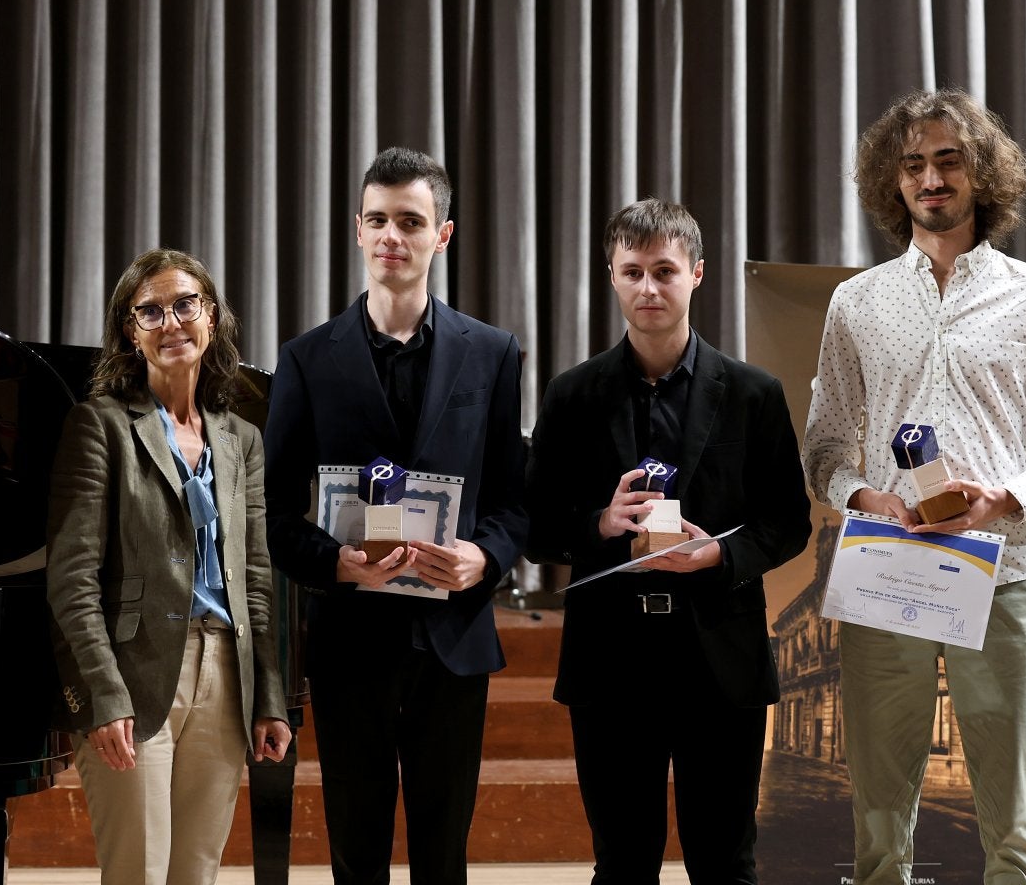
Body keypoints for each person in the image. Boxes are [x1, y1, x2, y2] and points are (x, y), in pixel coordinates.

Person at [802, 88, 1026, 885]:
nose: (930, 179)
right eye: (913, 166)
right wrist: (870, 498)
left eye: (947, 160)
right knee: (877, 829)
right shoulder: (855, 303)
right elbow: (825, 447)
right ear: (891, 183)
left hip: (1001, 571)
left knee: (1013, 832)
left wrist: (1008, 496)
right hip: (886, 569)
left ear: (981, 173)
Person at [525, 199, 811, 884]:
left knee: (725, 862)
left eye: (664, 271)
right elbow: (534, 526)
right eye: (633, 272)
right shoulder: (571, 396)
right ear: (612, 278)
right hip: (610, 661)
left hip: (720, 655)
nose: (649, 288)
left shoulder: (753, 393)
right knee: (622, 862)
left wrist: (717, 554)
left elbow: (788, 521)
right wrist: (600, 527)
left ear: (697, 275)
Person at [263, 147, 527, 883]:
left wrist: (487, 557)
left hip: (453, 641)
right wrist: (331, 561)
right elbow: (273, 512)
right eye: (377, 220)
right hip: (351, 644)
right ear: (356, 230)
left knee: (444, 858)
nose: (391, 237)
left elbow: (513, 499)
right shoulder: (308, 359)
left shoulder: (495, 354)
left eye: (410, 222)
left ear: (442, 235)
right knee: (357, 854)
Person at [46, 248, 291, 884]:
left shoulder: (242, 439)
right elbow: (71, 579)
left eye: (186, 304)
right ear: (130, 331)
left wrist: (268, 695)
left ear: (212, 316)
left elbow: (257, 581)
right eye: (149, 311)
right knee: (139, 873)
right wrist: (102, 694)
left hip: (226, 681)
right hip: (134, 674)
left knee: (196, 872)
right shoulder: (99, 426)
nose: (171, 322)